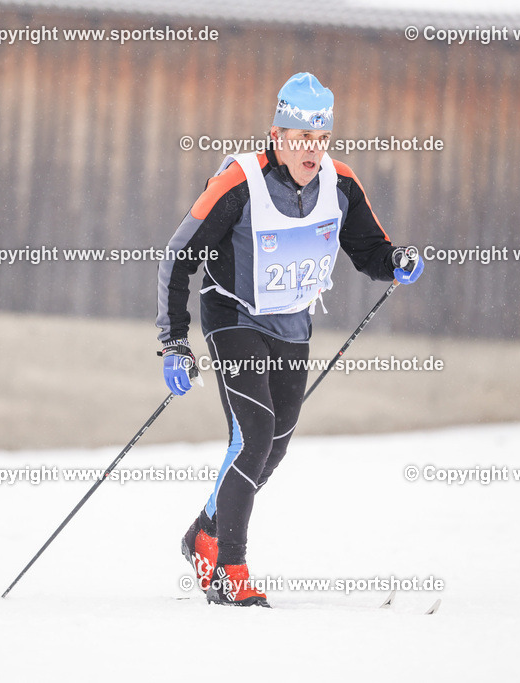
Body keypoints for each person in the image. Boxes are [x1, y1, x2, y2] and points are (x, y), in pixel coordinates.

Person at [155, 72, 424, 607]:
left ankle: (203, 534)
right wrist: (174, 343)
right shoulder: (240, 183)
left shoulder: (340, 184)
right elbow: (177, 257)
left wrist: (396, 261)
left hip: (293, 324)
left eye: (321, 139)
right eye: (302, 138)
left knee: (273, 448)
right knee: (252, 435)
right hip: (234, 316)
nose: (312, 150)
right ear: (277, 134)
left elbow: (369, 249)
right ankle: (230, 569)